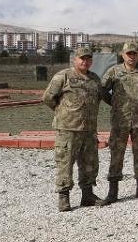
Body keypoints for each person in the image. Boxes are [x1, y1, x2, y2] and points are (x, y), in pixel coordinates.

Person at [42, 46, 106, 212]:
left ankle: (87, 195)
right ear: (74, 59)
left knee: (90, 163)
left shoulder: (95, 79)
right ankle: (64, 197)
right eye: (82, 58)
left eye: (88, 59)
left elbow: (98, 99)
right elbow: (48, 98)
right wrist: (63, 113)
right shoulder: (63, 76)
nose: (85, 61)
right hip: (68, 129)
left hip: (89, 130)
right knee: (65, 162)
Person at [101, 41, 138, 203]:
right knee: (116, 153)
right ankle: (113, 191)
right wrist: (114, 103)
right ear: (122, 54)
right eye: (129, 54)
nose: (131, 56)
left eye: (134, 53)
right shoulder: (114, 71)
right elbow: (103, 90)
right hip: (120, 120)